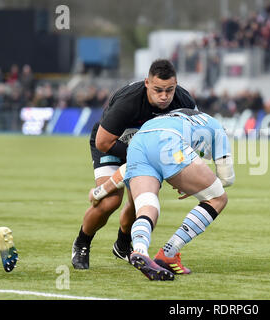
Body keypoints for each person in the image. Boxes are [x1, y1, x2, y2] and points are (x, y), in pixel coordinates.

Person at [72, 59, 197, 269]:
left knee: (140, 202)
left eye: (169, 90)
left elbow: (189, 140)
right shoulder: (129, 101)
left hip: (146, 151)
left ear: (176, 85)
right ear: (147, 83)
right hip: (113, 144)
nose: (165, 96)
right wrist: (140, 156)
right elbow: (103, 141)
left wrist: (182, 173)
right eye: (158, 90)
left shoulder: (184, 101)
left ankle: (122, 245)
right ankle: (82, 243)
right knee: (110, 201)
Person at [89, 108, 234, 280]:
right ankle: (168, 253)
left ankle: (140, 250)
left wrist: (99, 192)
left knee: (146, 206)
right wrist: (199, 185)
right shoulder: (219, 130)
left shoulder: (183, 119)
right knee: (218, 198)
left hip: (139, 142)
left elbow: (126, 169)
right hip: (170, 143)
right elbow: (226, 178)